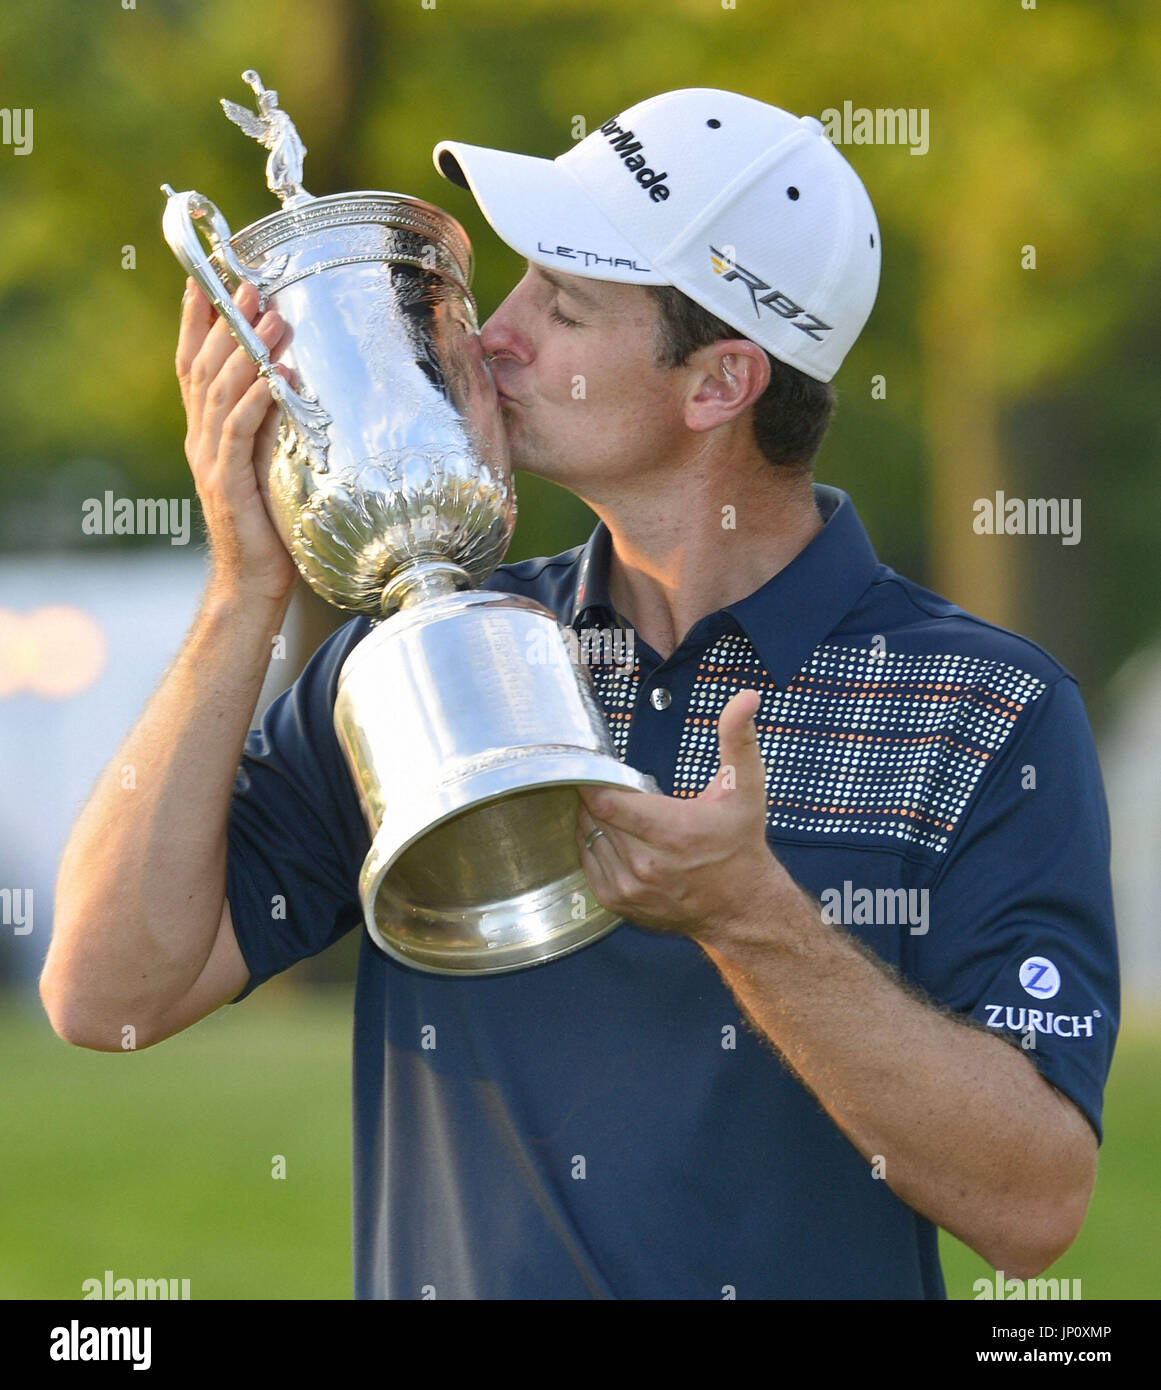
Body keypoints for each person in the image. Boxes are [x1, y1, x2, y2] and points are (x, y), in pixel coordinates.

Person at [42, 89, 1118, 1300]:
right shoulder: (425, 651)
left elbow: (1036, 1205)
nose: (494, 335)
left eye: (564, 305)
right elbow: (105, 992)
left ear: (720, 382)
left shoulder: (985, 706)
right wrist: (244, 586)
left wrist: (747, 915)